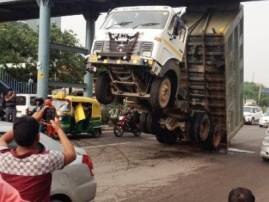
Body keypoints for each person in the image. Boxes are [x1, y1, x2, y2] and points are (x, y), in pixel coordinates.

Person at [0, 108, 76, 202]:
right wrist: (58, 129)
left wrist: (30, 121)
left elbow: (3, 139)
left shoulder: (2, 158)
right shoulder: (45, 160)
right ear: (38, 137)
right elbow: (71, 154)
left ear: (14, 137)